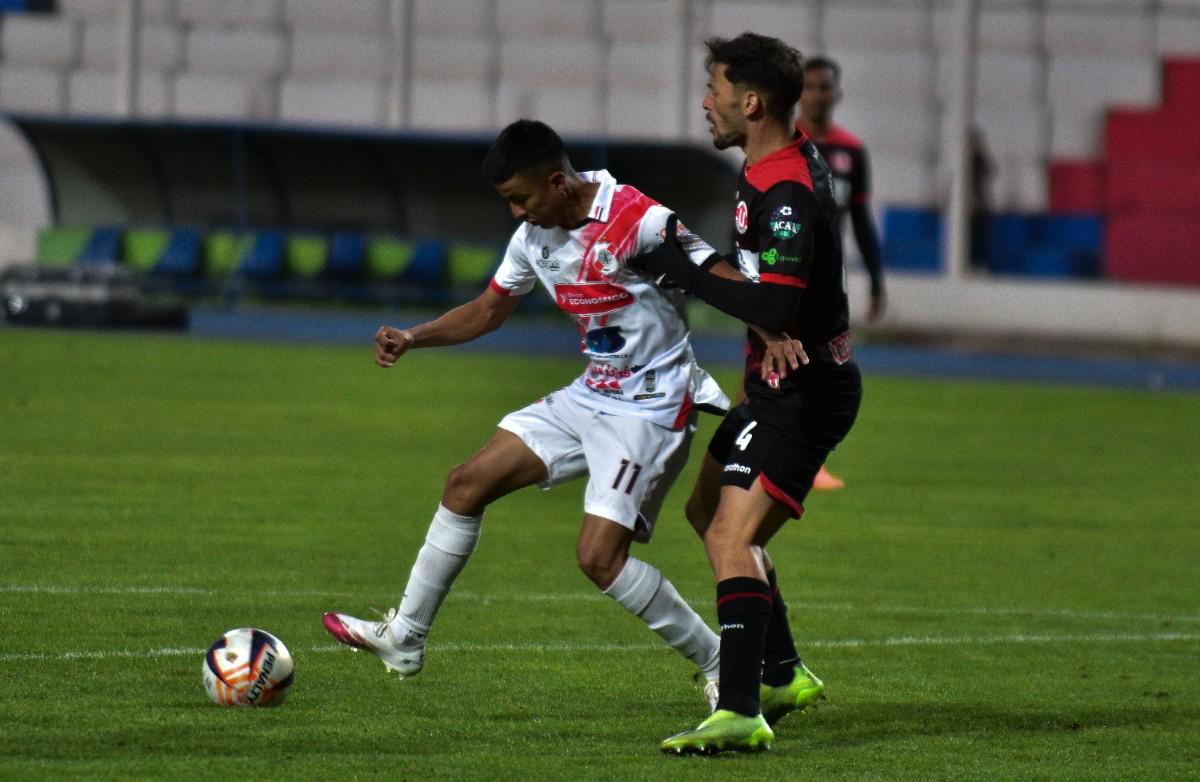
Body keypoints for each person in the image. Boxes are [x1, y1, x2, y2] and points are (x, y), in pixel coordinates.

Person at [322, 119, 740, 708]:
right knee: (466, 484)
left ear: (558, 181)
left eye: (521, 198)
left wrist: (775, 334)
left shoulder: (638, 220)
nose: (517, 213)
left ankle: (721, 661)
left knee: (599, 559)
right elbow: (489, 311)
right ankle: (405, 638)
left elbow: (719, 275)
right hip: (591, 394)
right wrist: (415, 338)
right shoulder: (534, 238)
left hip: (650, 406)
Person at [630, 33, 863, 754]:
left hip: (806, 391)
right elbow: (767, 292)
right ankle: (785, 673)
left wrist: (676, 264)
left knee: (732, 534)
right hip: (777, 381)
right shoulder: (767, 168)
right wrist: (761, 309)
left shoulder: (787, 188)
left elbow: (771, 304)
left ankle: (737, 710)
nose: (707, 102)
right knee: (707, 512)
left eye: (716, 90)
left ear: (751, 102)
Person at [794, 55, 884, 491]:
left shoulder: (850, 151)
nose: (817, 95)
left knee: (815, 367)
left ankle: (801, 460)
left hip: (829, 283)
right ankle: (796, 460)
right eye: (809, 87)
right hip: (786, 274)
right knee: (774, 366)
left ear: (837, 93)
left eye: (824, 87)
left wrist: (876, 281)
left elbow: (862, 220)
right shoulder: (783, 145)